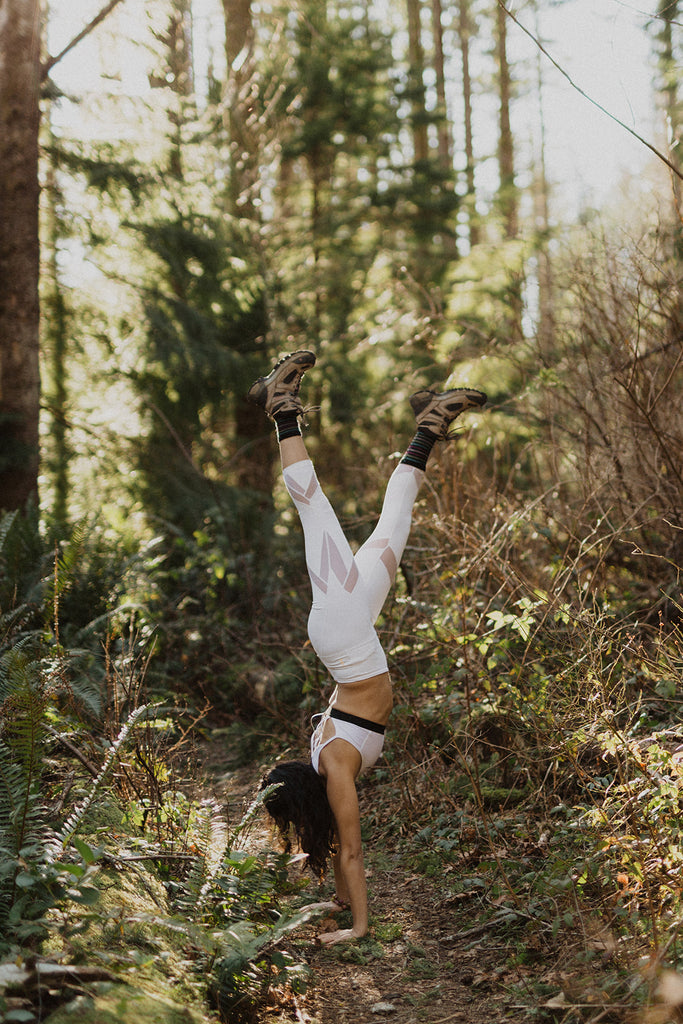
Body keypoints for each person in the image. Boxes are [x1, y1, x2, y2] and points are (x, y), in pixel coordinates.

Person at [249, 350, 486, 945]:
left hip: (346, 628)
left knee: (316, 511)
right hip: (347, 631)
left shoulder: (334, 764)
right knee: (393, 526)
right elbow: (335, 849)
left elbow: (352, 853)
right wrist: (334, 904)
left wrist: (357, 928)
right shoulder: (324, 757)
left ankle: (279, 407)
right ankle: (430, 423)